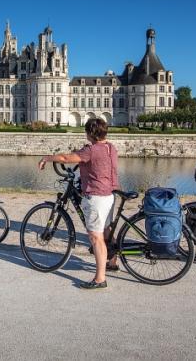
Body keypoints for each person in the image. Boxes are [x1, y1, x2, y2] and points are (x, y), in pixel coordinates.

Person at [38, 117, 119, 289]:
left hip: (96, 196)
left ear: (91, 133)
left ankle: (99, 279)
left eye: (86, 132)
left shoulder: (90, 150)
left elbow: (66, 158)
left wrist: (47, 158)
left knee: (95, 237)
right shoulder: (111, 148)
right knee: (106, 231)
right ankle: (112, 261)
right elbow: (90, 160)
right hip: (109, 195)